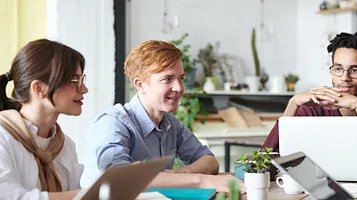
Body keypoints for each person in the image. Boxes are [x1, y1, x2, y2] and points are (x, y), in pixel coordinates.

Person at [81, 40, 241, 192]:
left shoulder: (170, 123)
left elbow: (209, 160)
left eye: (181, 78)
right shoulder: (113, 122)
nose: (178, 88)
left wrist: (181, 175)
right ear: (140, 84)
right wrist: (200, 180)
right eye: (167, 79)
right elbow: (120, 177)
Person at [262, 32, 357, 169]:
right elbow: (265, 162)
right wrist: (293, 103)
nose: (344, 78)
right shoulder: (312, 109)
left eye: (354, 70)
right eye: (338, 69)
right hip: (324, 191)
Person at [0, 39, 88, 200]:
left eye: (82, 80)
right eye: (74, 80)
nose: (84, 89)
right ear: (39, 88)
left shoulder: (64, 145)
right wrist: (83, 197)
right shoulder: (3, 137)